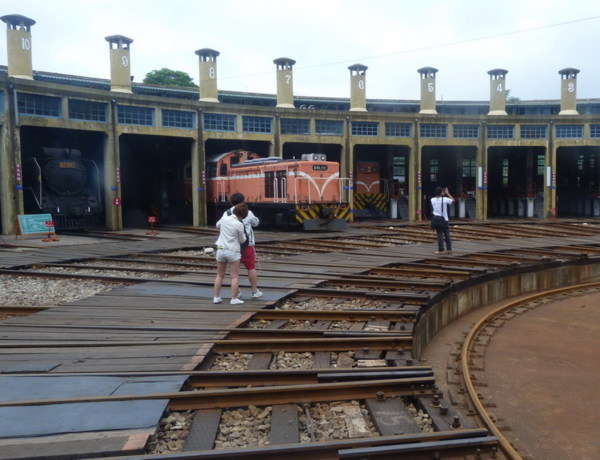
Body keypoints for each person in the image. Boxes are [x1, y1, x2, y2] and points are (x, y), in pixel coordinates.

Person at [218, 192, 263, 299]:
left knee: (234, 271)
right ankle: (254, 291)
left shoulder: (227, 213)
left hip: (232, 245)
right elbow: (256, 223)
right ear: (243, 202)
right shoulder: (248, 213)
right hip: (246, 244)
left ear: (231, 202)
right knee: (251, 267)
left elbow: (218, 225)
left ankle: (237, 292)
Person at [213, 203, 248, 305]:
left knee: (220, 275)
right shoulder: (239, 224)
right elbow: (242, 240)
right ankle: (234, 298)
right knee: (234, 276)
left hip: (221, 249)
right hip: (232, 250)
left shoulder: (224, 219)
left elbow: (217, 225)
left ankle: (216, 297)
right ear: (243, 214)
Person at [431, 186, 455, 254]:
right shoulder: (445, 199)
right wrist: (447, 193)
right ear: (440, 193)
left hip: (437, 219)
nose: (443, 192)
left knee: (439, 234)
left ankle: (440, 249)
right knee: (447, 234)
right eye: (442, 191)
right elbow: (453, 200)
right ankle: (449, 249)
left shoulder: (432, 199)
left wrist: (443, 193)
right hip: (445, 219)